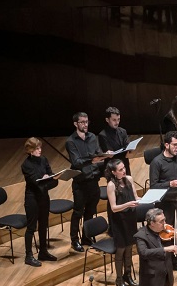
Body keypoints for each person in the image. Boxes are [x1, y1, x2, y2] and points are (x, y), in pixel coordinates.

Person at [148, 131, 177, 273]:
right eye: (174, 144)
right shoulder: (157, 162)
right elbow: (153, 185)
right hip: (166, 203)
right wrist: (169, 184)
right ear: (166, 145)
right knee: (166, 234)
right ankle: (166, 264)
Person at [66, 112, 108, 252]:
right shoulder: (71, 141)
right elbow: (76, 162)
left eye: (86, 122)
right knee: (78, 212)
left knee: (90, 211)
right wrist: (92, 160)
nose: (85, 124)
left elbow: (98, 152)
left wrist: (104, 156)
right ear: (75, 124)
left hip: (93, 180)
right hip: (80, 183)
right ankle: (74, 240)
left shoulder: (92, 137)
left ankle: (86, 236)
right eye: (82, 122)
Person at [20, 138, 58, 267]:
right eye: (36, 148)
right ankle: (28, 256)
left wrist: (51, 178)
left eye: (40, 147)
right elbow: (35, 183)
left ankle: (43, 251)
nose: (39, 150)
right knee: (31, 227)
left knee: (43, 224)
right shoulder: (26, 165)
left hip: (43, 196)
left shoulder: (44, 160)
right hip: (32, 198)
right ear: (30, 150)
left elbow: (51, 176)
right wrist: (46, 180)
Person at [106, 159, 140, 286]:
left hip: (130, 217)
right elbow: (114, 207)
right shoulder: (111, 185)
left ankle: (128, 275)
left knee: (130, 247)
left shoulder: (129, 179)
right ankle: (119, 279)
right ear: (114, 172)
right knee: (121, 249)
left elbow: (136, 197)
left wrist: (148, 198)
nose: (124, 171)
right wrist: (128, 204)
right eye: (120, 170)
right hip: (119, 220)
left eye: (124, 168)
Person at [97, 107, 131, 173]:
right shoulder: (103, 135)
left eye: (118, 119)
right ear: (107, 120)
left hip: (124, 164)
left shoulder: (123, 131)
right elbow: (110, 154)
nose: (117, 122)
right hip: (113, 166)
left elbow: (127, 145)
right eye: (114, 120)